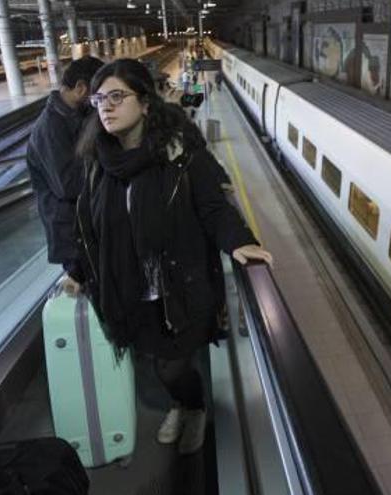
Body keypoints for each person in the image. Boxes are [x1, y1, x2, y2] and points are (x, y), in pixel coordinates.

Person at [74, 59, 272, 455]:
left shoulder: (182, 154)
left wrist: (238, 241)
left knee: (173, 363)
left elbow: (213, 206)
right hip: (130, 288)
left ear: (145, 103)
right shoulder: (99, 163)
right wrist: (79, 271)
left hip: (179, 284)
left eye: (117, 96)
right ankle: (182, 404)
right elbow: (91, 228)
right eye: (99, 99)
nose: (106, 107)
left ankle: (193, 408)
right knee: (154, 359)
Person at [26, 56, 105, 294]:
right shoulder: (50, 128)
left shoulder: (76, 116)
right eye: (95, 95)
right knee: (95, 295)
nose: (97, 102)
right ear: (81, 88)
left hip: (88, 224)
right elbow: (68, 185)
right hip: (71, 234)